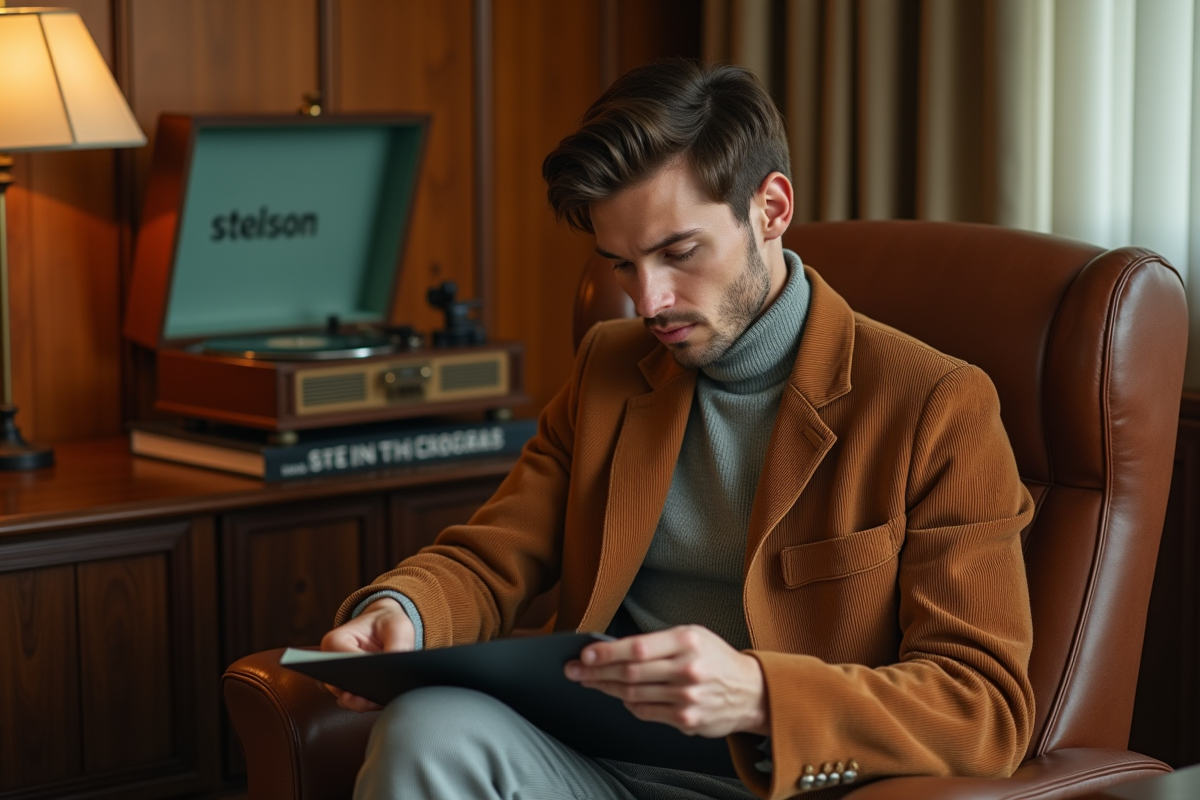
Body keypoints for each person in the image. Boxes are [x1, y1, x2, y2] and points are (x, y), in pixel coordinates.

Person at [320, 59, 1035, 800]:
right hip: (593, 772)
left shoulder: (938, 406)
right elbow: (491, 556)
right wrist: (399, 613)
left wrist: (760, 695)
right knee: (426, 727)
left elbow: (982, 708)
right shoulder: (608, 368)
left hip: (780, 783)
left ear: (771, 207)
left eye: (679, 252)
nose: (648, 301)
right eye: (623, 265)